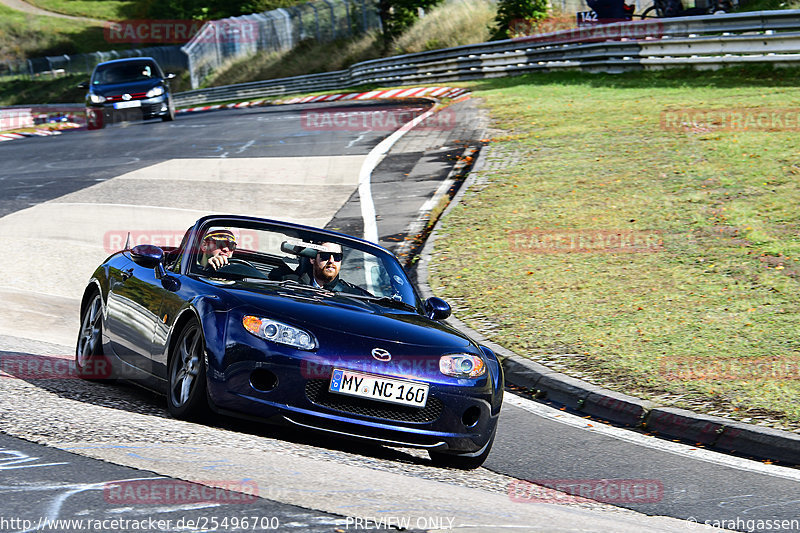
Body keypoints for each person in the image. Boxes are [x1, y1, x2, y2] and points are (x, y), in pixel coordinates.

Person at [295, 242, 370, 296]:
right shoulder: (290, 284)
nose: (331, 260)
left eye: (337, 256)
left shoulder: (353, 295)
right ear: (312, 259)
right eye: (325, 255)